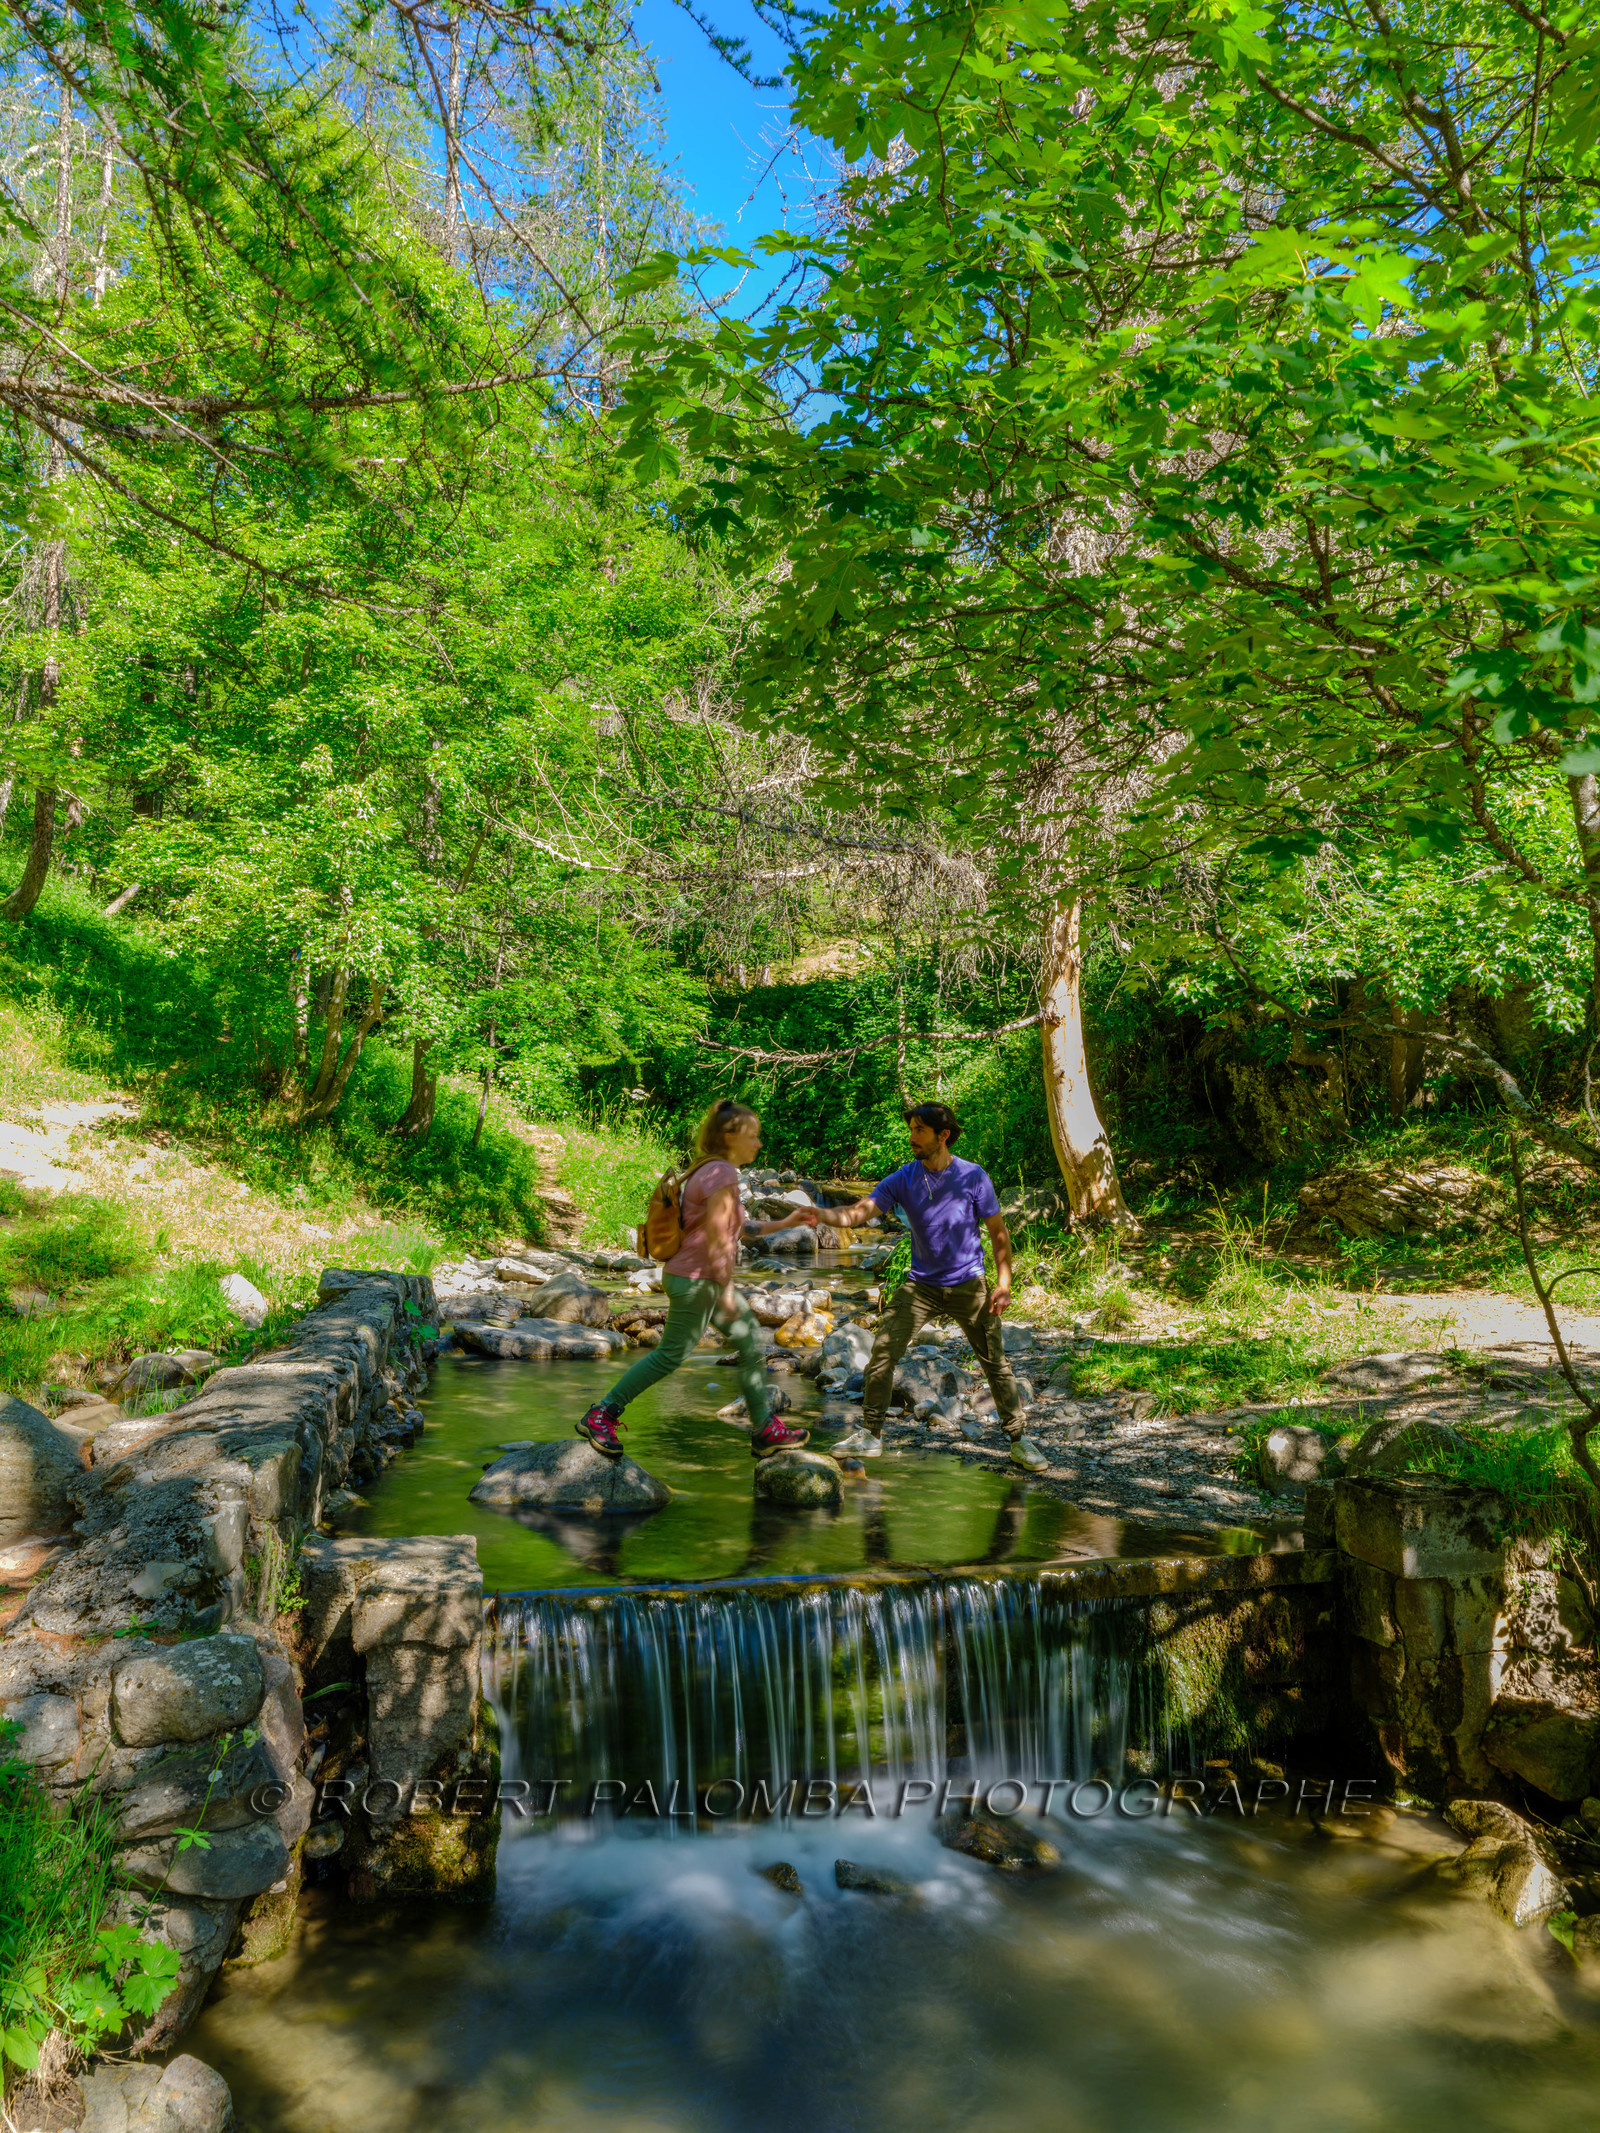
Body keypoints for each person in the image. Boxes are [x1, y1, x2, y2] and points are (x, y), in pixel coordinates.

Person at [576, 1100, 817, 1461]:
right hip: (698, 1280)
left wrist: (786, 1223)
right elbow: (721, 1236)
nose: (759, 1144)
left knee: (750, 1342)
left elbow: (741, 1228)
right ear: (730, 1136)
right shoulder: (720, 1173)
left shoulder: (710, 1170)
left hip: (699, 1279)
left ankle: (765, 1429)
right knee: (670, 1356)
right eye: (754, 1136)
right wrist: (722, 1283)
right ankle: (603, 1413)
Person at [827, 1103, 1046, 1469]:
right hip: (921, 1287)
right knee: (882, 1353)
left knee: (995, 1364)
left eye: (919, 1131)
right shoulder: (904, 1178)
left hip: (968, 1285)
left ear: (942, 1135)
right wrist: (822, 1215)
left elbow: (998, 1232)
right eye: (911, 1130)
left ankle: (1020, 1440)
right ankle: (870, 1435)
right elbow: (861, 1211)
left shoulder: (973, 1177)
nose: (911, 1138)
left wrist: (1004, 1282)